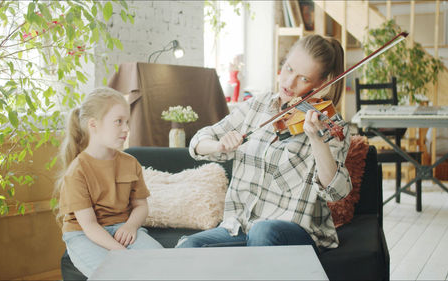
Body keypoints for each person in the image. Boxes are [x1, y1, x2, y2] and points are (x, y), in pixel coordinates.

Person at [176, 34, 352, 252]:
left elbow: (337, 192)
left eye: (303, 78)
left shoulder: (328, 124)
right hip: (238, 229)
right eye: (288, 69)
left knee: (263, 231)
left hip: (294, 232)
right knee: (189, 245)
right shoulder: (257, 106)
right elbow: (198, 143)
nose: (289, 83)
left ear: (322, 84)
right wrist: (219, 146)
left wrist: (317, 140)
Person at [54, 88, 163, 278]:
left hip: (123, 227)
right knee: (116, 274)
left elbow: (141, 206)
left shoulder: (130, 163)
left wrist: (130, 226)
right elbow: (89, 226)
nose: (126, 128)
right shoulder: (77, 171)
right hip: (84, 234)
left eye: (127, 122)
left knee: (163, 264)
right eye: (118, 121)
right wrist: (121, 252)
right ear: (93, 125)